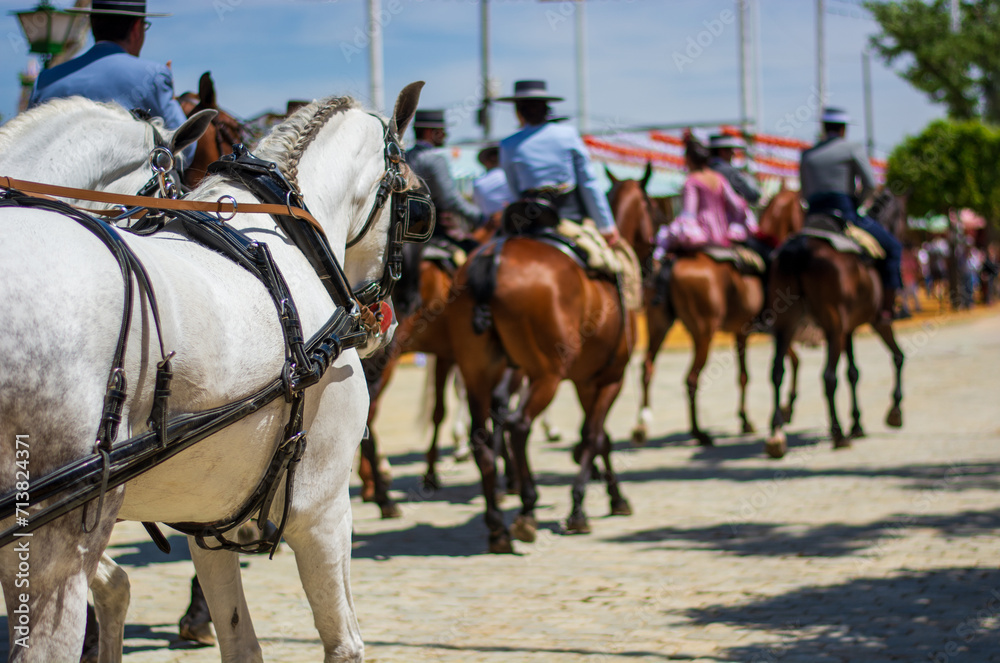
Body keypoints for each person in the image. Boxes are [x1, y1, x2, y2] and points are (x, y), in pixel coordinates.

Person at [29, 0, 195, 167]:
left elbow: (28, 146)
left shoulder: (46, 80)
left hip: (50, 191)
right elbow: (185, 150)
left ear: (92, 24)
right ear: (137, 29)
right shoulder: (154, 76)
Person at [800, 107, 902, 320]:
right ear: (844, 129)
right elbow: (871, 184)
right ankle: (887, 307)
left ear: (823, 127)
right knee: (893, 248)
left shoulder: (808, 154)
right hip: (844, 215)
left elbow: (805, 192)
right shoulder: (852, 148)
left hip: (813, 218)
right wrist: (856, 204)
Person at [496, 80, 620, 247]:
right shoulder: (568, 135)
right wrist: (605, 225)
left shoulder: (508, 144)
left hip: (528, 219)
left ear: (518, 111)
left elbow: (514, 189)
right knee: (610, 264)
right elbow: (588, 183)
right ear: (546, 108)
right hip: (568, 215)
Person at [653, 132, 755, 259]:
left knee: (661, 249)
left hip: (701, 235)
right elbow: (738, 205)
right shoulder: (719, 178)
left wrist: (675, 233)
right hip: (722, 235)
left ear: (689, 159)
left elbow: (688, 214)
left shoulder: (692, 180)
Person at [406, 108, 485, 246]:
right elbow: (451, 199)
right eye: (442, 131)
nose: (446, 135)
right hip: (431, 230)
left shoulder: (404, 157)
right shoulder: (435, 160)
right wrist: (479, 217)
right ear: (430, 133)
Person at [472, 143, 514, 232]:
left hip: (490, 225)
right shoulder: (510, 176)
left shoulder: (478, 183)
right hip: (513, 218)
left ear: (486, 162)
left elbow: (478, 206)